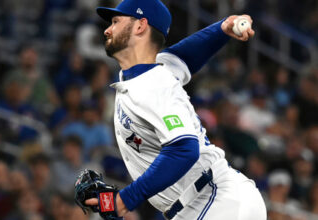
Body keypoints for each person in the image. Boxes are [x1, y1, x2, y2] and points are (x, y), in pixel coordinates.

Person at [84, 0, 266, 219]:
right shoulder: (152, 71)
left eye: (115, 21)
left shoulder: (154, 86)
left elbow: (184, 149)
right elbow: (184, 56)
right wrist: (222, 28)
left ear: (140, 26)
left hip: (216, 200)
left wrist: (125, 199)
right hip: (200, 203)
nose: (107, 29)